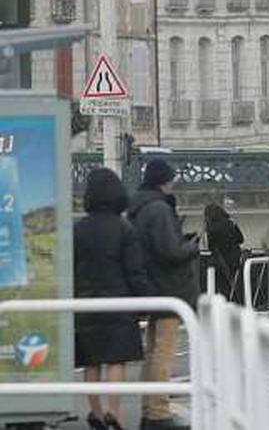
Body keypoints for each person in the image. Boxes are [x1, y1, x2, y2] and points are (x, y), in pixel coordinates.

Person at [75, 168, 154, 430]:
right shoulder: (124, 229)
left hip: (85, 303)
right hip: (118, 302)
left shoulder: (78, 229)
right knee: (116, 360)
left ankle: (95, 413)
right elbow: (134, 270)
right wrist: (145, 301)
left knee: (92, 361)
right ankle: (114, 413)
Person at [127, 159, 199, 430]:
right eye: (170, 179)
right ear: (162, 181)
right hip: (168, 288)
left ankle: (149, 407)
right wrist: (191, 247)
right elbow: (169, 252)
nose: (172, 184)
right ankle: (158, 412)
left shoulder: (140, 208)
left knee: (152, 352)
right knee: (163, 353)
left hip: (153, 286)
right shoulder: (158, 209)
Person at [204, 202, 244, 301]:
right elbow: (241, 239)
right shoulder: (230, 223)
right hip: (235, 260)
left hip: (221, 262)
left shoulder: (211, 228)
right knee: (236, 286)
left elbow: (210, 247)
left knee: (223, 288)